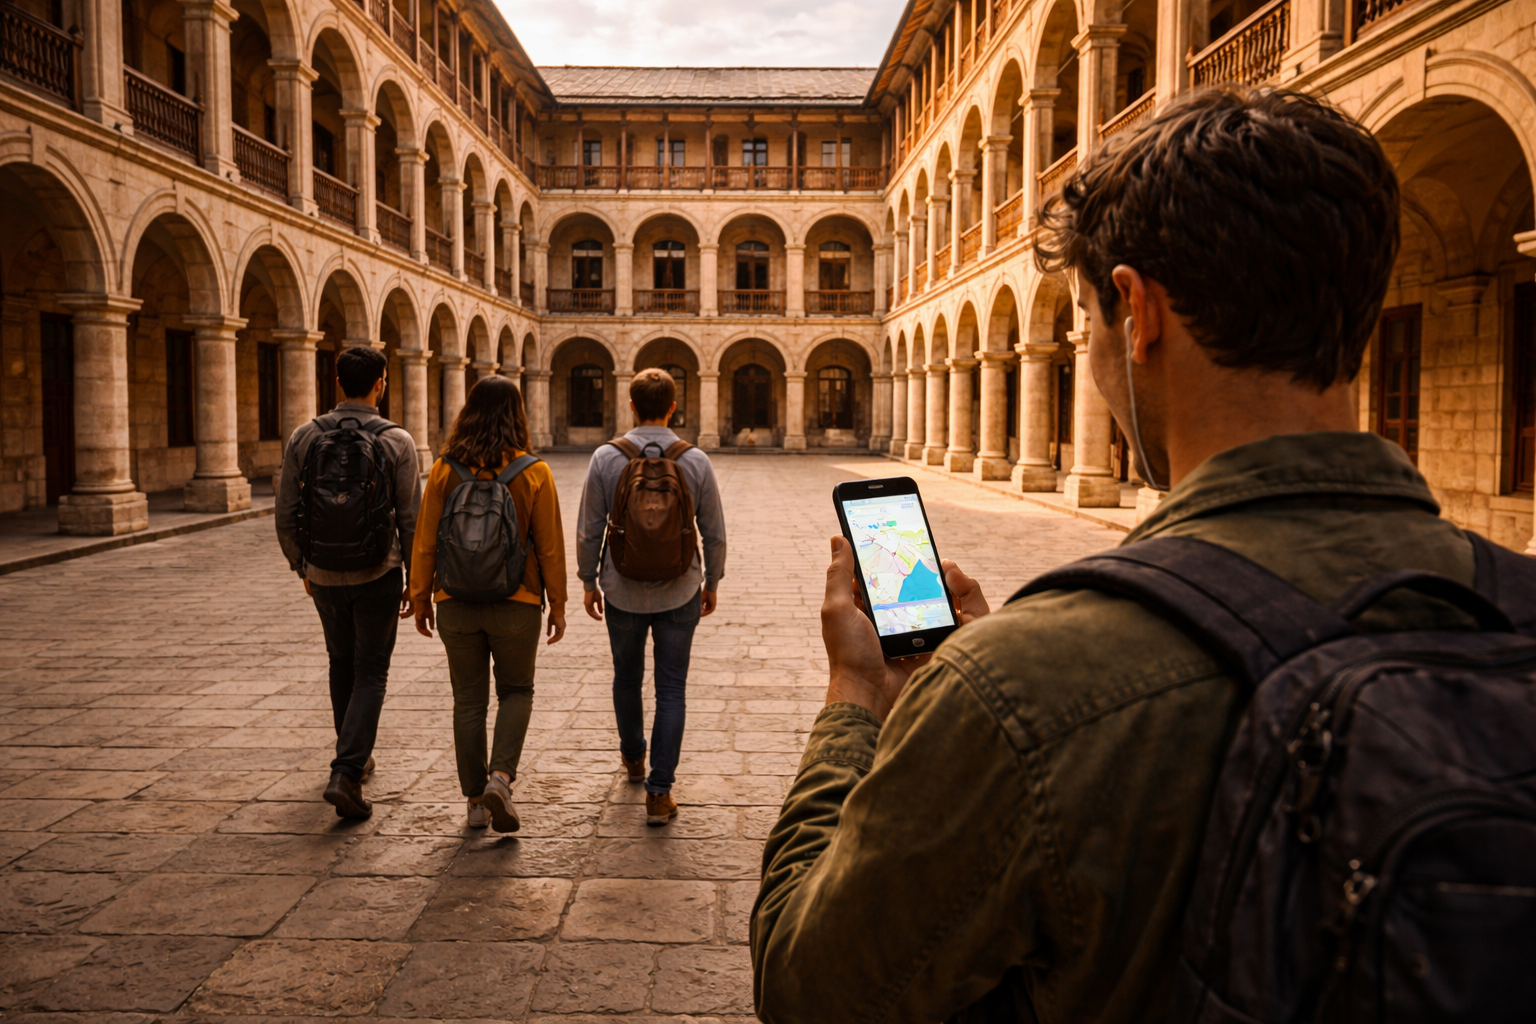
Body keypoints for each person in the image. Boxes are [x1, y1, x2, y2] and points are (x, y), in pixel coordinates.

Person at [752, 87, 1494, 1022]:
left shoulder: (1022, 689)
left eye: (1086, 324)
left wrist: (861, 697)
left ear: (1136, 311)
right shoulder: (1516, 605)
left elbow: (809, 989)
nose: (1090, 356)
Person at [409, 375, 567, 832]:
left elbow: (424, 541)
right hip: (516, 602)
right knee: (517, 691)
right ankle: (501, 777)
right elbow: (549, 545)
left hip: (454, 600)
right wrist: (557, 603)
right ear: (518, 414)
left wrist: (420, 595)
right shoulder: (533, 472)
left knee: (468, 701)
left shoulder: (444, 469)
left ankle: (476, 802)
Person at [577, 367, 727, 826]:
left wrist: (588, 580)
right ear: (673, 406)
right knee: (671, 689)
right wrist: (712, 581)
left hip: (621, 589)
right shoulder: (694, 460)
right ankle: (660, 794)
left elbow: (589, 528)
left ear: (630, 404)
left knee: (626, 678)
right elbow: (714, 532)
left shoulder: (606, 457)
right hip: (680, 589)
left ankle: (633, 758)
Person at [276, 345, 420, 820]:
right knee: (372, 669)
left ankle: (352, 756)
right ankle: (348, 770)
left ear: (338, 383)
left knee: (341, 662)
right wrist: (416, 579)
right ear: (381, 383)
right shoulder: (397, 440)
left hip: (323, 573)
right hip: (378, 571)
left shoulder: (304, 434)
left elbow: (285, 513)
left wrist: (303, 566)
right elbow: (410, 517)